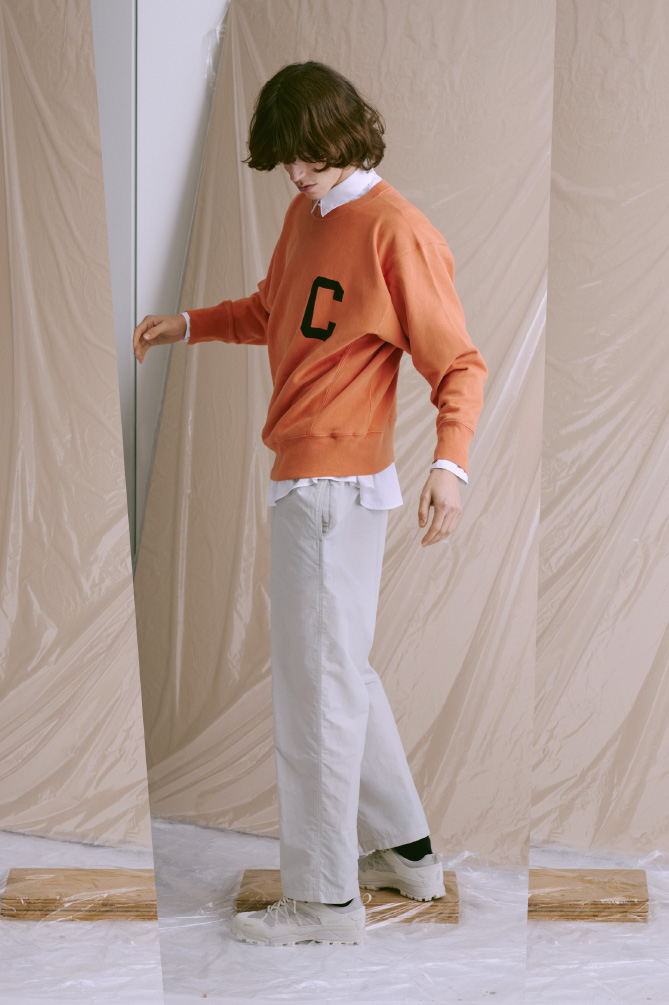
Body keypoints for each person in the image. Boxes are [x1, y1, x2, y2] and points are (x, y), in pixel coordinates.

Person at [133, 60, 487, 947]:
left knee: (313, 694)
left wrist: (450, 464)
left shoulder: (396, 230)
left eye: (308, 156)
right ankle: (406, 853)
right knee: (342, 676)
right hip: (307, 480)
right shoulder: (308, 213)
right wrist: (189, 324)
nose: (295, 173)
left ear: (344, 135)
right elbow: (272, 311)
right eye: (284, 159)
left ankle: (324, 900)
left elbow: (458, 362)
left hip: (333, 489)